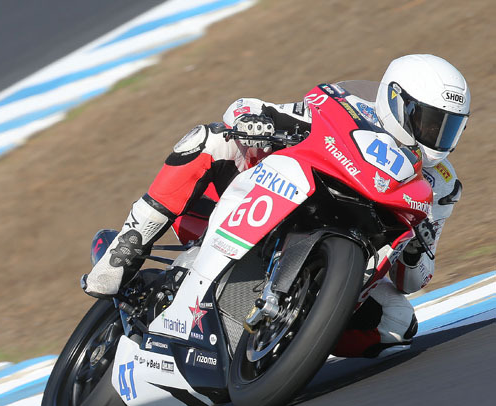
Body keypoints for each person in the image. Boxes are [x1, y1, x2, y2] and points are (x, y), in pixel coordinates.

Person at [82, 54, 469, 358]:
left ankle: (295, 345)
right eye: (431, 122)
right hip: (272, 193)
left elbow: (412, 281)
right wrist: (257, 122)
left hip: (352, 250)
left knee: (398, 323)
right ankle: (130, 245)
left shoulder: (440, 186)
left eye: (449, 127)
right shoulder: (347, 105)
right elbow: (249, 107)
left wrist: (419, 248)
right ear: (396, 100)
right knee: (209, 138)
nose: (437, 137)